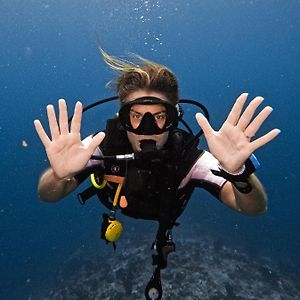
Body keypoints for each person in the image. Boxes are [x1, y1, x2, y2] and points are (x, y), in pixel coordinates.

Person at [34, 49, 280, 299]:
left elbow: (253, 208)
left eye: (159, 117)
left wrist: (239, 173)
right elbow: (47, 195)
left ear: (174, 118)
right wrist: (59, 175)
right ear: (123, 119)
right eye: (137, 117)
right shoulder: (101, 148)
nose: (147, 130)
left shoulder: (187, 158)